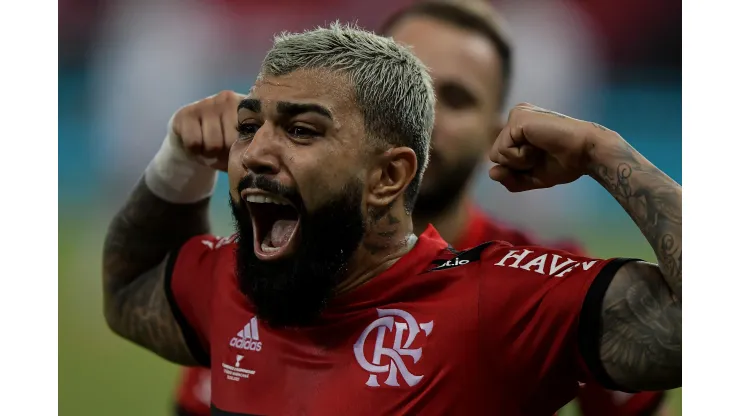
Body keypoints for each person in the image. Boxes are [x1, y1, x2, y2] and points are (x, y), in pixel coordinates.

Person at [103, 23, 681, 416]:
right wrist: (178, 165)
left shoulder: (498, 302)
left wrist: (606, 155)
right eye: (251, 126)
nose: (253, 153)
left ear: (389, 176)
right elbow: (128, 288)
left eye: (302, 130)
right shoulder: (230, 281)